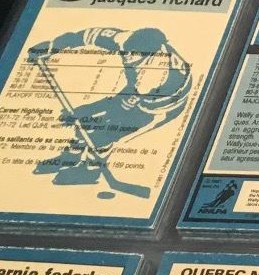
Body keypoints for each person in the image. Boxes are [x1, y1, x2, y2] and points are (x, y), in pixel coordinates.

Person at [25, 26, 191, 187]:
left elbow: (121, 106)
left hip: (159, 107)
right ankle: (71, 157)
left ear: (150, 54)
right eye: (127, 50)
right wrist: (53, 46)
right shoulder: (123, 40)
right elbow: (87, 35)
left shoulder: (154, 75)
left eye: (134, 54)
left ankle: (90, 171)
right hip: (137, 91)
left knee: (106, 133)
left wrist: (85, 111)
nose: (127, 56)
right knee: (86, 122)